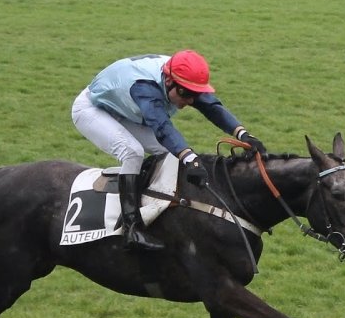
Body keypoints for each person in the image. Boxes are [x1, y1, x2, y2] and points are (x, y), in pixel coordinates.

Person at [71, 50, 267, 251]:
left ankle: (150, 203)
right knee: (133, 153)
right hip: (93, 110)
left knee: (168, 152)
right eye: (185, 94)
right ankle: (130, 228)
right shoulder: (145, 88)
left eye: (194, 94)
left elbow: (212, 107)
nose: (190, 101)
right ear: (168, 82)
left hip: (125, 109)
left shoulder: (183, 79)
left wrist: (244, 134)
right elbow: (162, 127)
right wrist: (191, 159)